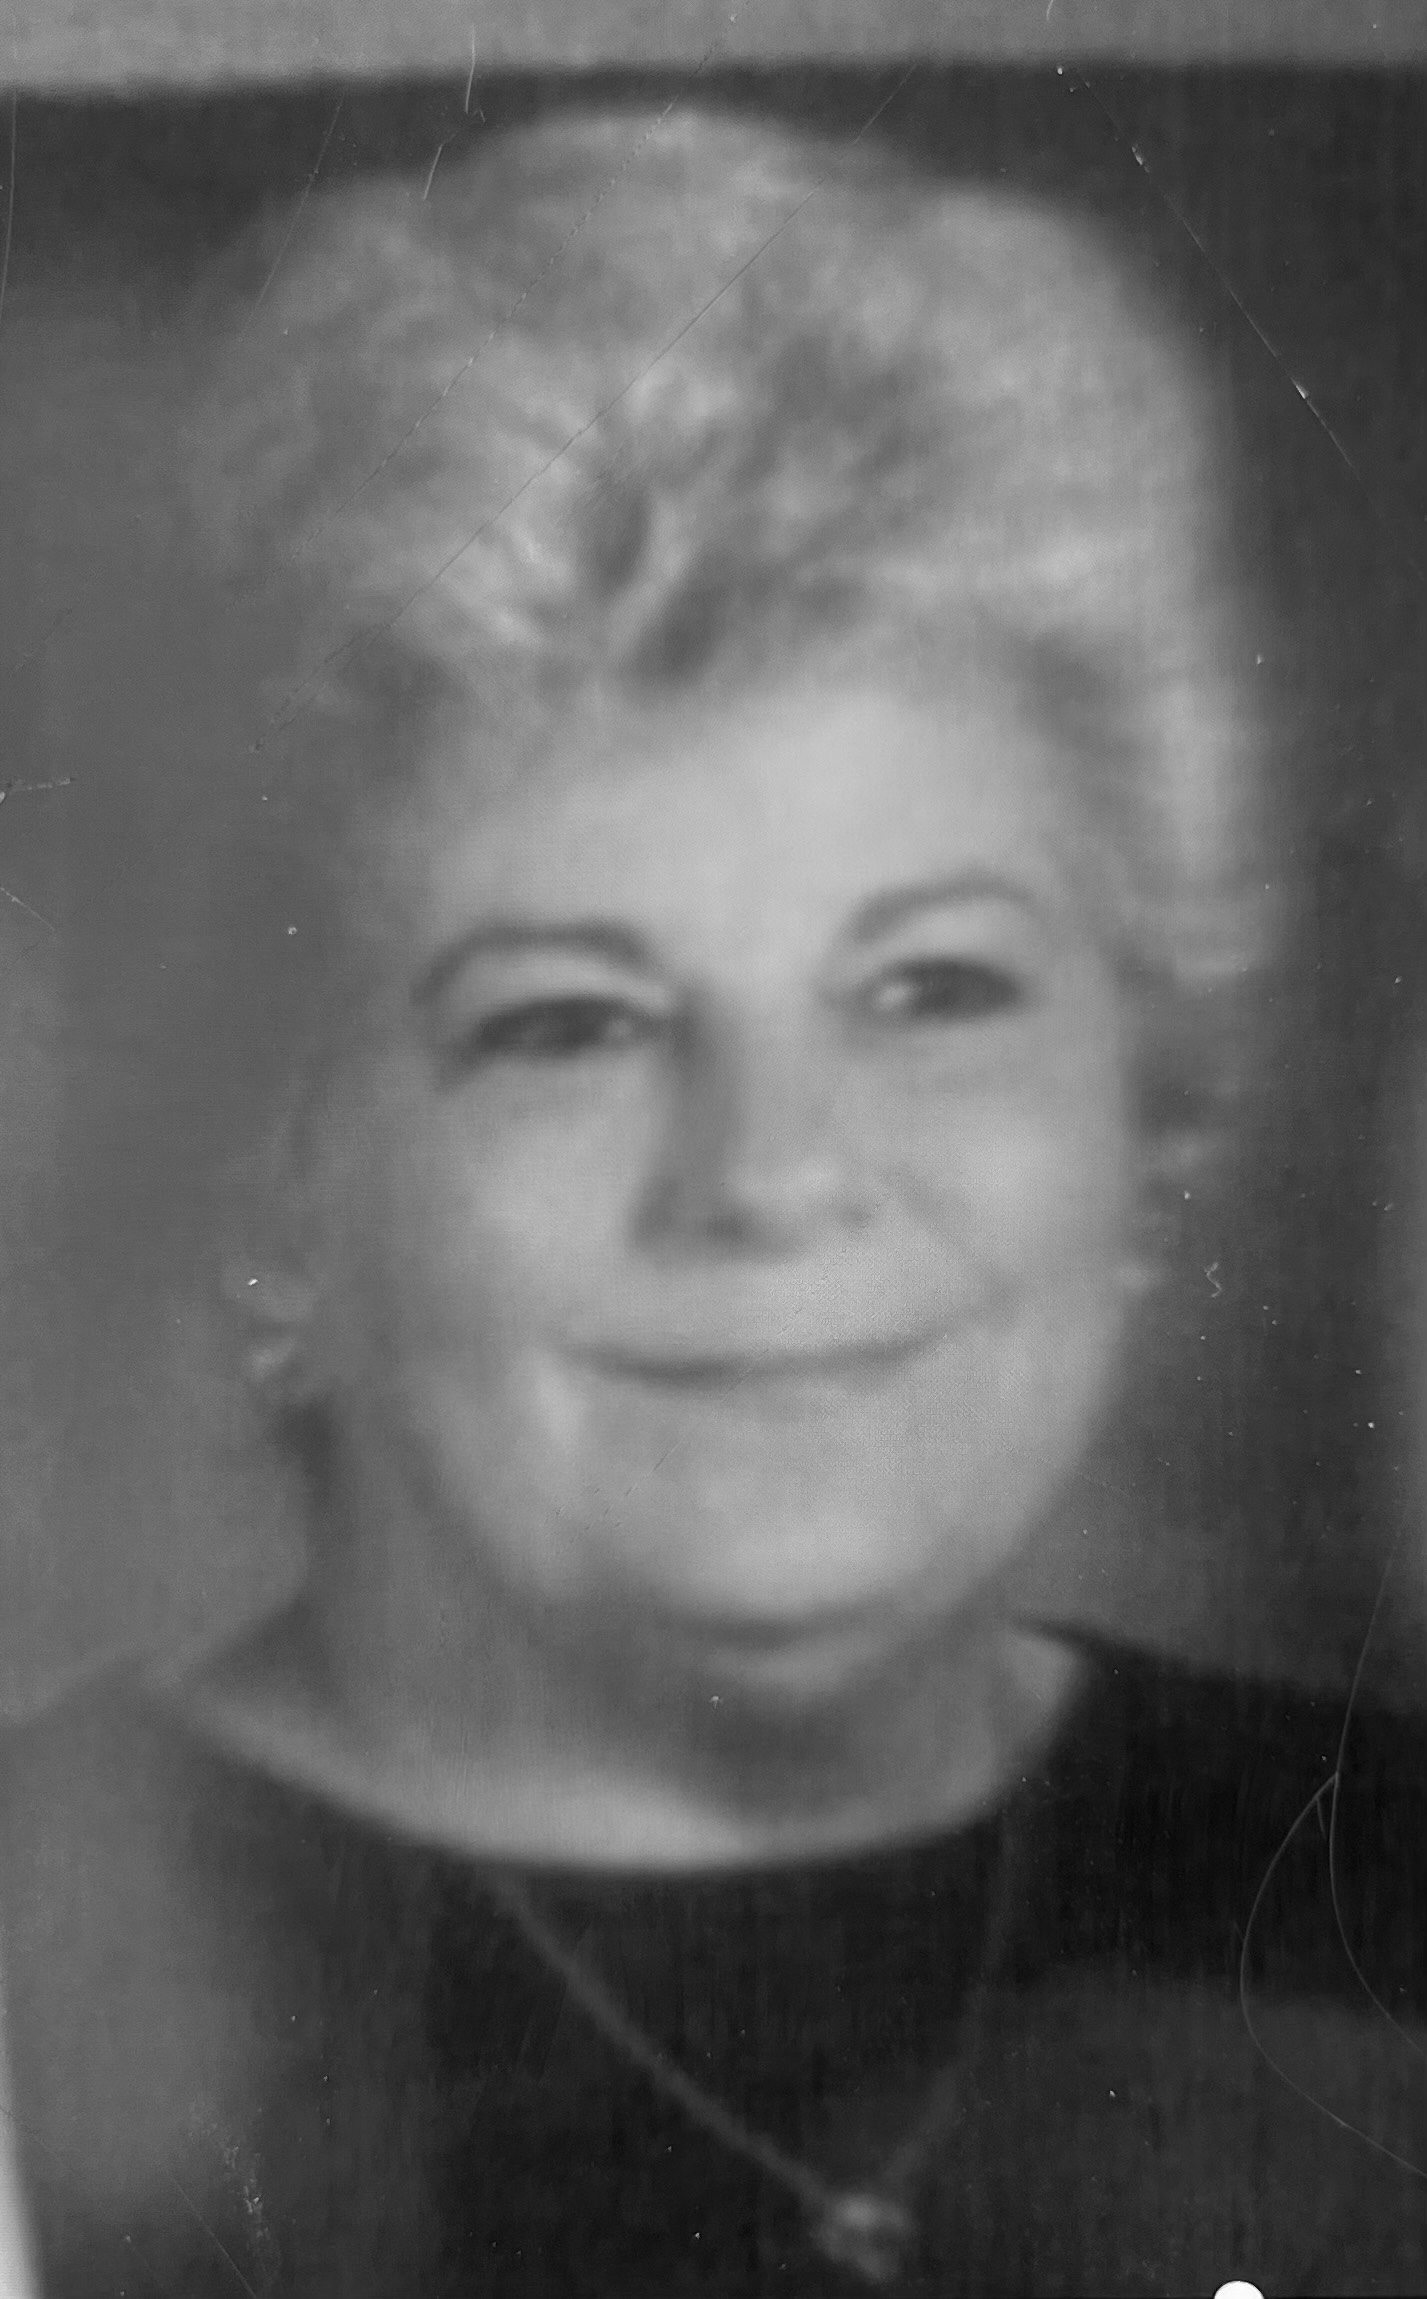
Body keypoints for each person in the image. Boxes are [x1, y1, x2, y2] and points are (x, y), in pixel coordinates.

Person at [2, 103, 1424, 2298]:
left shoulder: (1374, 1889)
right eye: (568, 1022)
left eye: (934, 987)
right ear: (279, 1191)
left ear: (1150, 1118)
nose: (772, 1177)